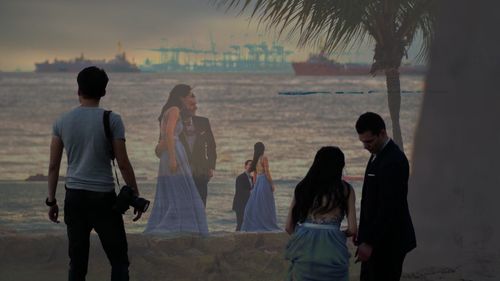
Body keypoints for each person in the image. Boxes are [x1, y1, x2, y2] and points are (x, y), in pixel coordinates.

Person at [46, 66, 142, 281]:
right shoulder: (112, 120)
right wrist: (134, 195)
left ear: (78, 89)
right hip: (103, 199)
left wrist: (51, 201)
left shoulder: (62, 121)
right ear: (104, 92)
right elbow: (123, 163)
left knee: (77, 263)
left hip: (75, 197)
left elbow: (53, 166)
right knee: (118, 260)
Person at [355, 112, 416, 281]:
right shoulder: (377, 154)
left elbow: (389, 208)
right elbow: (369, 200)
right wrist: (363, 233)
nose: (365, 146)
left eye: (369, 141)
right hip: (376, 238)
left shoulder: (394, 160)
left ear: (382, 133)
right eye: (362, 142)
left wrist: (369, 242)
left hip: (389, 242)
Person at [284, 146, 357, 281]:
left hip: (304, 248)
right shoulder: (346, 190)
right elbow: (352, 229)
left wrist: (306, 234)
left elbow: (289, 227)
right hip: (333, 251)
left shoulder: (302, 187)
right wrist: (334, 234)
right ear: (340, 166)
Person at [145, 84, 208, 235]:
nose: (193, 99)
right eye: (191, 96)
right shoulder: (174, 110)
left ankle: (180, 225)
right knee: (181, 189)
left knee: (174, 190)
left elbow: (165, 138)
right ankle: (180, 227)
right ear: (182, 97)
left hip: (172, 151)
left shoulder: (169, 110)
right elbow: (169, 134)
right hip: (174, 151)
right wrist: (173, 159)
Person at [178, 91, 216, 207]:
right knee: (183, 209)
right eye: (191, 105)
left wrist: (210, 166)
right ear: (182, 106)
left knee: (200, 208)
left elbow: (211, 145)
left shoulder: (203, 121)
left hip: (201, 174)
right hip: (180, 174)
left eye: (195, 104)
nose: (195, 107)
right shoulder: (173, 123)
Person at [240, 142, 281, 232]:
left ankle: (258, 223)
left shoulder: (255, 160)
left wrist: (254, 186)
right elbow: (266, 172)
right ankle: (266, 223)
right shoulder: (263, 158)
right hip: (263, 182)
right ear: (263, 149)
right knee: (266, 204)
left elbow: (254, 176)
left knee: (257, 204)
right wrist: (272, 183)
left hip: (258, 182)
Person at [232, 160, 253, 231]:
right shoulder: (240, 177)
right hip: (240, 204)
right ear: (245, 166)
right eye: (249, 165)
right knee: (240, 223)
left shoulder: (253, 178)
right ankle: (236, 238)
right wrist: (251, 192)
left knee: (248, 223)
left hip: (248, 204)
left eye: (252, 165)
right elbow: (239, 190)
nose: (250, 166)